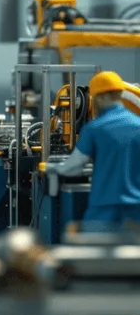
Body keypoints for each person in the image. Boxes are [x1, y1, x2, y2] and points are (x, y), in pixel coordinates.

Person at [49, 71, 140, 232]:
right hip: (136, 211)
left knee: (92, 247)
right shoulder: (138, 125)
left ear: (98, 97)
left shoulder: (94, 128)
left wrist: (53, 169)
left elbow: (74, 167)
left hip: (104, 209)